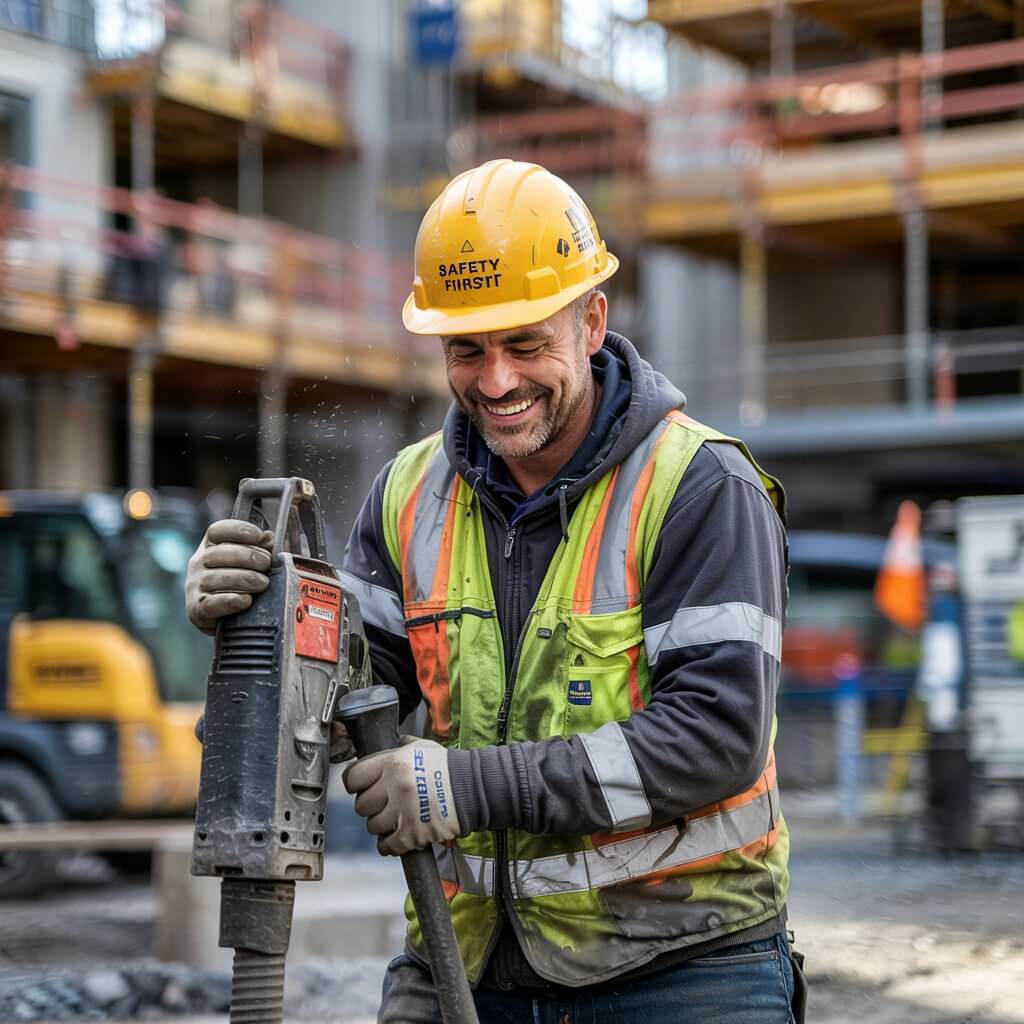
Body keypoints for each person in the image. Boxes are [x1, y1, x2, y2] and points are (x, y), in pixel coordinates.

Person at [185, 159, 803, 1023]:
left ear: (592, 321)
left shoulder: (699, 488)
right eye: (466, 350)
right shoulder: (407, 494)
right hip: (462, 964)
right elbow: (332, 710)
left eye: (526, 344)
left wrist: (460, 790)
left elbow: (716, 738)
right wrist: (252, 627)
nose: (497, 382)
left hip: (683, 968)